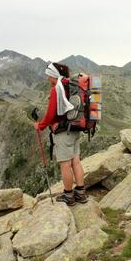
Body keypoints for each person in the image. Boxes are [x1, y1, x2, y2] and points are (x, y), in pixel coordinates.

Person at [33, 62, 87, 206]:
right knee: (75, 161)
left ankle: (68, 195)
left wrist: (41, 125)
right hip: (75, 128)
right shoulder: (70, 85)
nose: (47, 79)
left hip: (63, 132)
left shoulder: (57, 88)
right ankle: (81, 193)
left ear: (54, 75)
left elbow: (51, 114)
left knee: (65, 164)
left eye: (48, 75)